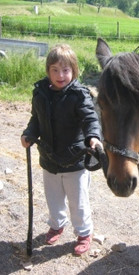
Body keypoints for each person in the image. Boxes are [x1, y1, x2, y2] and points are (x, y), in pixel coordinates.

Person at [21, 43, 102, 256]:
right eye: (55, 70)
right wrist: (29, 134)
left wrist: (93, 137)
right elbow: (36, 120)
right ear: (48, 71)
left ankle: (84, 233)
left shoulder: (79, 94)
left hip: (75, 160)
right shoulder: (40, 93)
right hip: (49, 158)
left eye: (65, 70)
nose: (60, 75)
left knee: (78, 201)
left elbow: (90, 119)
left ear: (73, 71)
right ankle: (57, 224)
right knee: (53, 197)